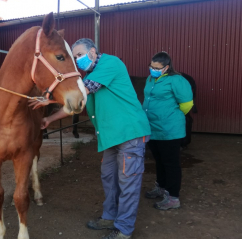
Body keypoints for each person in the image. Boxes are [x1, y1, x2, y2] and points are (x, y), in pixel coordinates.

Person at [30, 38, 151, 239]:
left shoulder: (110, 64)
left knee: (127, 181)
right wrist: (49, 119)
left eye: (79, 55)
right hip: (111, 136)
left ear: (93, 52)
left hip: (129, 133)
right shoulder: (89, 74)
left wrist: (49, 98)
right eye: (75, 57)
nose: (78, 60)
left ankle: (124, 230)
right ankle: (110, 216)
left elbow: (81, 92)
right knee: (109, 177)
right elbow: (76, 104)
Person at [143, 52, 193, 210]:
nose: (153, 69)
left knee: (171, 163)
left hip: (169, 129)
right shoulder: (150, 78)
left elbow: (186, 104)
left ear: (166, 67)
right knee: (159, 160)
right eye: (152, 66)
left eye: (157, 68)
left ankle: (173, 197)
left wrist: (170, 116)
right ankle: (161, 187)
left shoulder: (177, 80)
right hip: (152, 128)